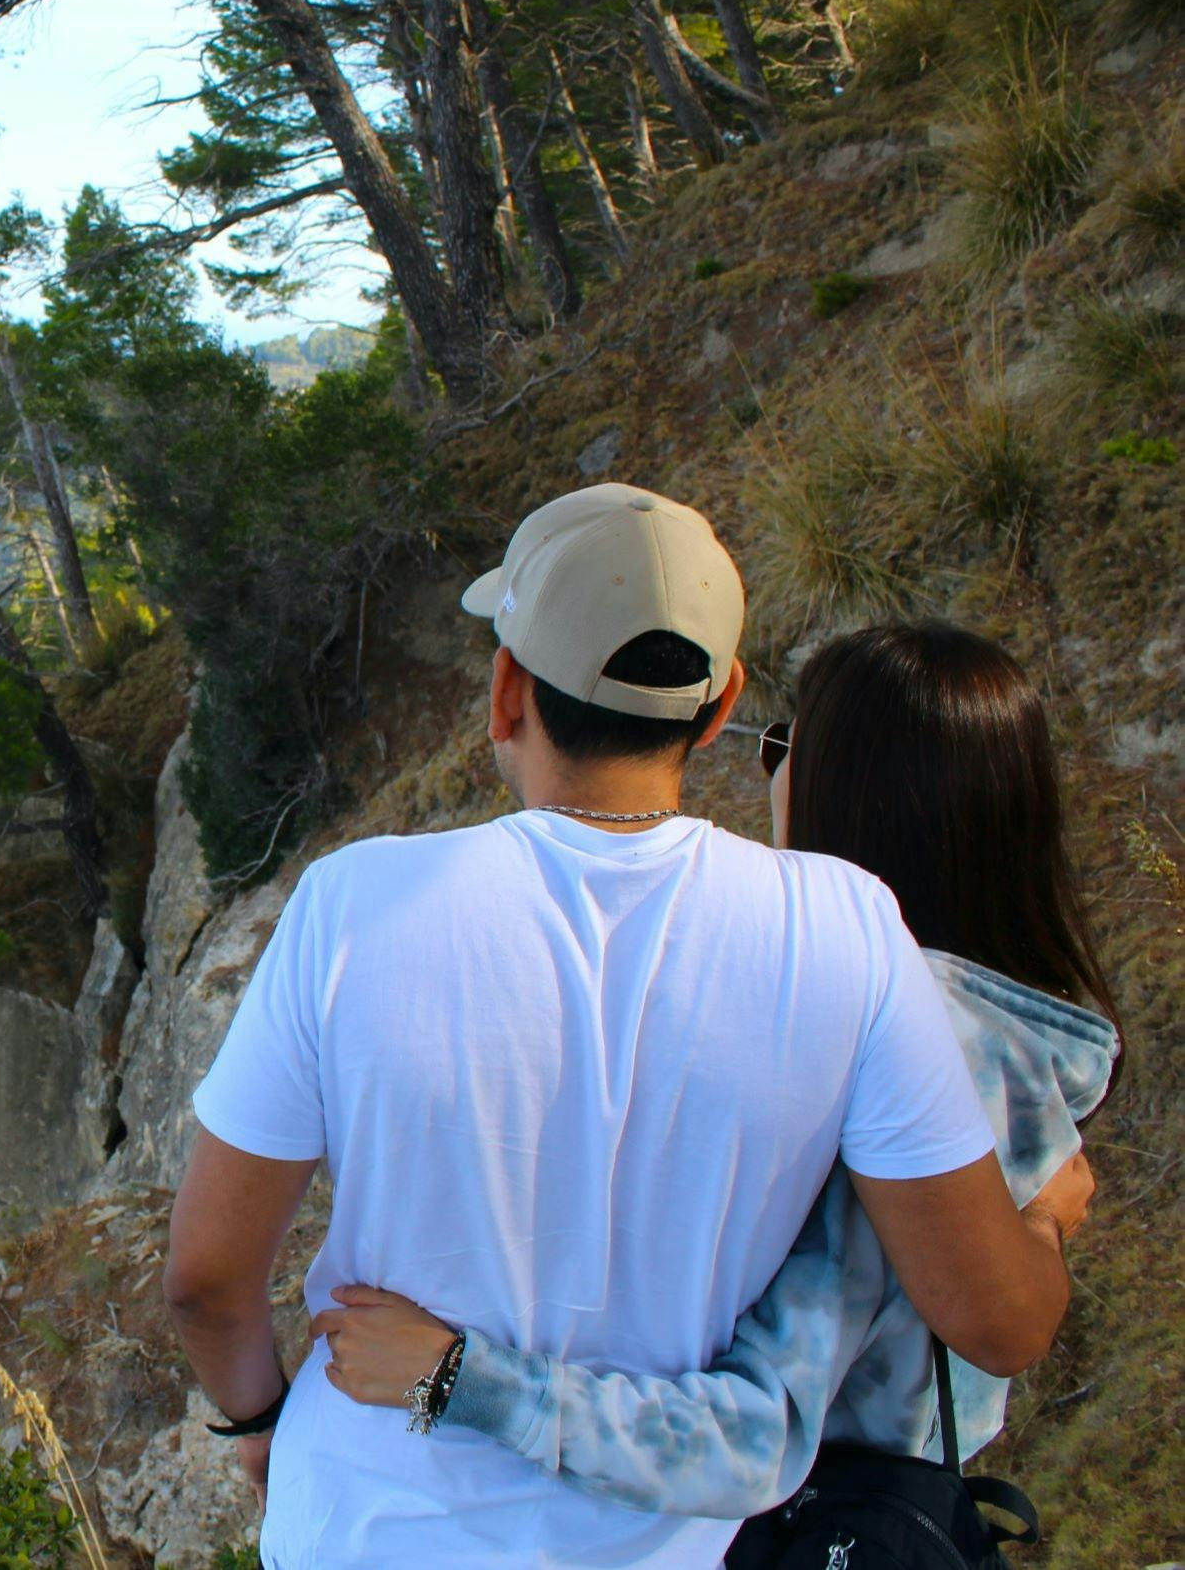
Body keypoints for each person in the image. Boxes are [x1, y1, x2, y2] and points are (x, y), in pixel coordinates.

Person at [162, 485, 1078, 1568]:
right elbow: (1001, 1323)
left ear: (506, 692)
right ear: (723, 703)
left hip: (367, 1527)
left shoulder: (352, 906)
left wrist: (260, 1421)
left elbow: (208, 1278)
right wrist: (1046, 1220)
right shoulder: (847, 927)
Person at [308, 622, 1119, 1531]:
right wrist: (1043, 1219)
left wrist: (456, 1376)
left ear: (848, 791)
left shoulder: (914, 1041)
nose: (770, 773)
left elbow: (753, 1435)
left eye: (785, 745)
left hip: (802, 1528)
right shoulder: (1007, 1042)